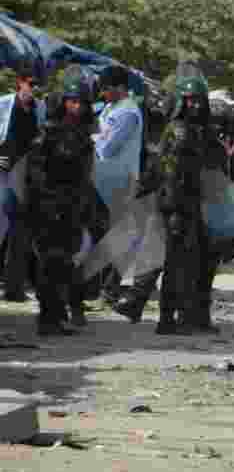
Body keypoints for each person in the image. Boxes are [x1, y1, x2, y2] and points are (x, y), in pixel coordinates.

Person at [152, 61, 228, 335]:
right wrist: (174, 210)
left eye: (199, 99)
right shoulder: (178, 131)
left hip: (199, 203)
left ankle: (193, 315)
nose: (195, 105)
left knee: (200, 261)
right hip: (179, 205)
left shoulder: (200, 130)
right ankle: (168, 318)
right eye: (190, 100)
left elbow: (215, 163)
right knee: (177, 262)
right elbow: (169, 173)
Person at [25, 67, 96, 335]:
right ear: (62, 102)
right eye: (71, 101)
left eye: (80, 102)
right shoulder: (49, 133)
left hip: (73, 206)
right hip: (51, 207)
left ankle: (56, 315)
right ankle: (48, 319)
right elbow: (35, 172)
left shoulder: (81, 133)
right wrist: (48, 201)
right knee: (51, 262)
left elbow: (84, 173)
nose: (76, 107)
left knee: (65, 262)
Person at [91, 65, 144, 306]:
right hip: (103, 179)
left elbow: (107, 148)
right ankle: (101, 288)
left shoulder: (128, 113)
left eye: (106, 89)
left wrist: (92, 138)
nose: (103, 94)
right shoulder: (111, 109)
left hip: (120, 180)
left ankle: (110, 289)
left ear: (121, 88)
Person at [1, 60, 46, 302]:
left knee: (21, 231)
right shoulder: (4, 104)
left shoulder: (40, 108)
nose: (34, 88)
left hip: (28, 177)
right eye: (31, 83)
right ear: (20, 83)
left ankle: (14, 287)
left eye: (38, 85)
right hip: (4, 173)